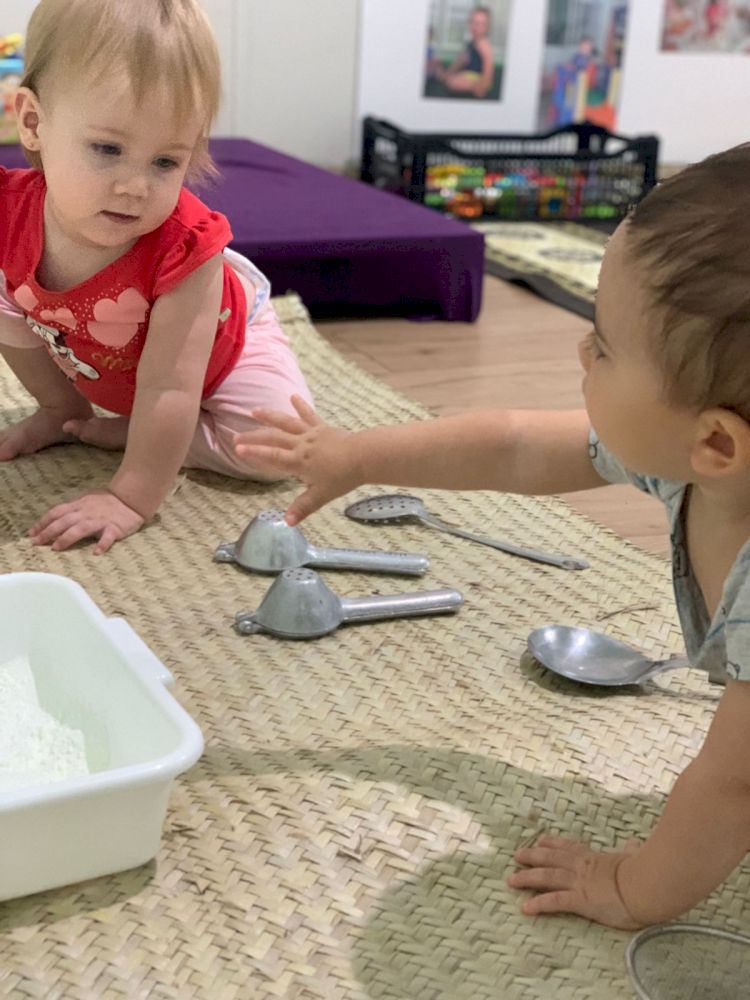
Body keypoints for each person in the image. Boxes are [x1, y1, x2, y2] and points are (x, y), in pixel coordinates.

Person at [234, 145, 750, 930]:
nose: (580, 352)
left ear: (715, 442)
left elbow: (733, 784)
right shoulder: (693, 464)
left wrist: (631, 887)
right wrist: (358, 456)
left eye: (604, 346)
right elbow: (514, 446)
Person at [0, 0, 313, 554]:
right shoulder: (10, 212)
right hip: (107, 357)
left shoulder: (187, 250)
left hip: (222, 346)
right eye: (107, 149)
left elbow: (171, 384)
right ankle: (65, 413)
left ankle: (174, 437)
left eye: (165, 162)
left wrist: (131, 496)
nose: (135, 187)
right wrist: (59, 405)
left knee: (280, 451)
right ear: (32, 123)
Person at [434, 6, 495, 99]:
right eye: (473, 22)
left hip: (478, 78)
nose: (476, 27)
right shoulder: (471, 43)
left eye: (481, 24)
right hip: (468, 75)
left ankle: (476, 88)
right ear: (469, 24)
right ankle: (444, 75)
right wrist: (449, 72)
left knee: (453, 82)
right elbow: (461, 61)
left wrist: (483, 84)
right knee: (449, 76)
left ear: (487, 28)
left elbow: (488, 69)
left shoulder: (484, 44)